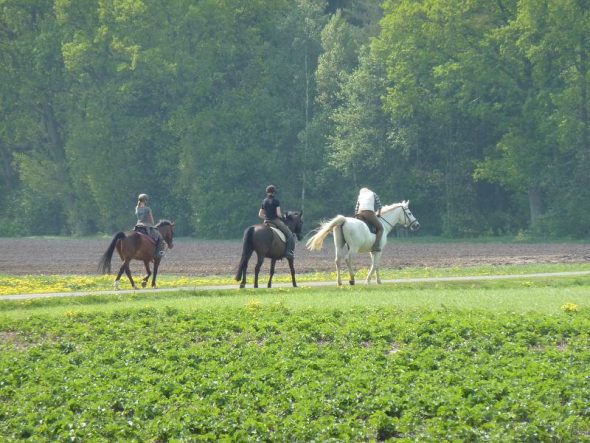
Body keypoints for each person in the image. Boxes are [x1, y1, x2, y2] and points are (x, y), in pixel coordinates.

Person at [258, 185, 295, 260]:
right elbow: (278, 214)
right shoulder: (276, 201)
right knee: (290, 235)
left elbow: (260, 214)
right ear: (274, 192)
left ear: (267, 192)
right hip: (275, 220)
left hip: (266, 221)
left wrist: (266, 218)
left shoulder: (264, 201)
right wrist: (283, 217)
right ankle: (288, 252)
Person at [135, 193, 165, 258]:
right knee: (160, 237)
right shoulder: (147, 209)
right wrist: (153, 225)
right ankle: (158, 253)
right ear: (145, 200)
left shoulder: (137, 208)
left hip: (137, 226)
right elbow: (151, 219)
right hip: (146, 225)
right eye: (146, 200)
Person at [355, 187, 384, 252]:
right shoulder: (373, 194)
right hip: (369, 213)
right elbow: (379, 205)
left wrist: (356, 217)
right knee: (380, 228)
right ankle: (375, 246)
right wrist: (379, 214)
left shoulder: (360, 195)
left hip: (359, 214)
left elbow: (356, 208)